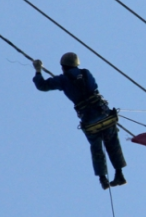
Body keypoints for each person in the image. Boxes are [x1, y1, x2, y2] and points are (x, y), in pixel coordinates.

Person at [32, 52, 127, 190]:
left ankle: (103, 179)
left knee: (96, 147)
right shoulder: (86, 73)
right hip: (104, 113)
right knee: (112, 142)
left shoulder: (62, 80)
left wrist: (38, 70)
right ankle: (119, 174)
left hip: (89, 120)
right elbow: (94, 86)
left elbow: (42, 86)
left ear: (63, 67)